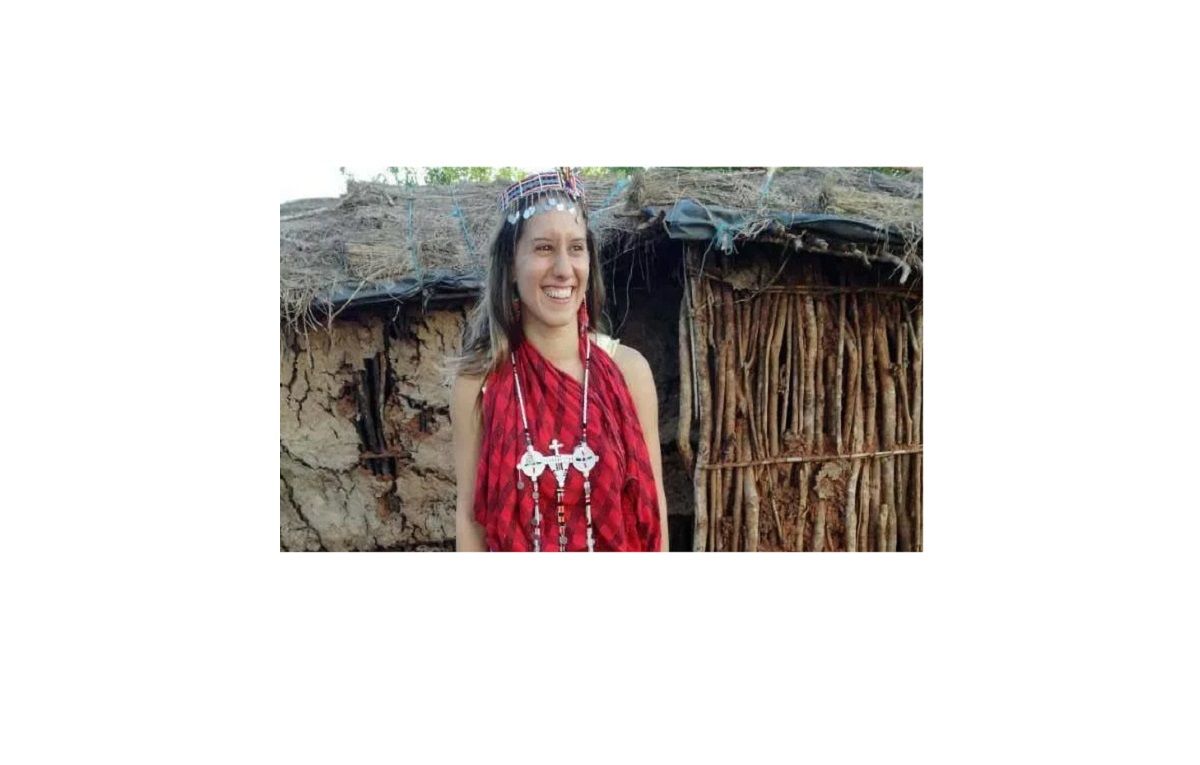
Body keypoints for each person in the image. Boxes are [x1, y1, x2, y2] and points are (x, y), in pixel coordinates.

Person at [449, 168, 668, 552]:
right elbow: (470, 521)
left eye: (576, 248)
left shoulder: (629, 372)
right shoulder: (479, 384)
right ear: (510, 265)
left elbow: (653, 511)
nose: (564, 270)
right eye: (544, 248)